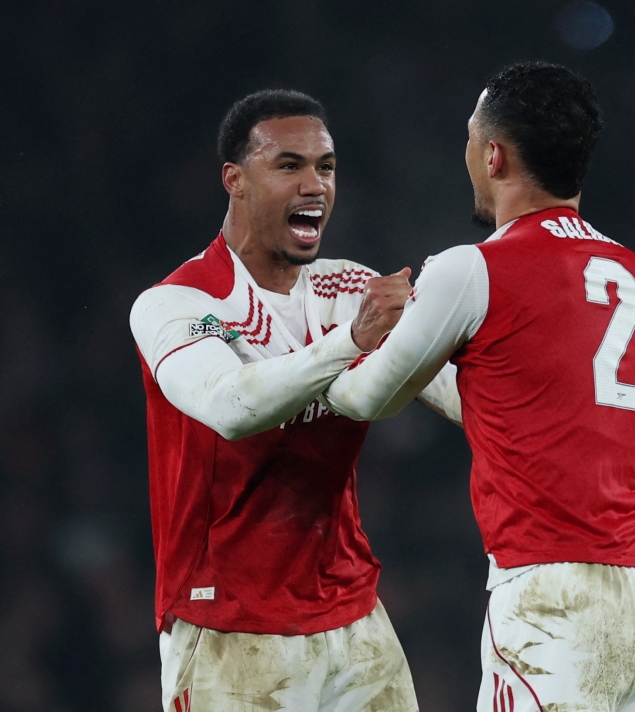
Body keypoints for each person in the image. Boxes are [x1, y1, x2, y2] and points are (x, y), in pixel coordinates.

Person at [322, 62, 635, 711]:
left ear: (493, 155)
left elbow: (365, 399)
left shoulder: (472, 270)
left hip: (556, 598)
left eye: (469, 136)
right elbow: (527, 414)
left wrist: (339, 339)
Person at [130, 89, 456, 712]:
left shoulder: (347, 287)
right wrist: (352, 342)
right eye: (289, 166)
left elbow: (453, 392)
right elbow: (231, 407)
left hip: (354, 620)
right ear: (236, 180)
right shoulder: (179, 303)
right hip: (229, 624)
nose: (315, 185)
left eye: (325, 167)